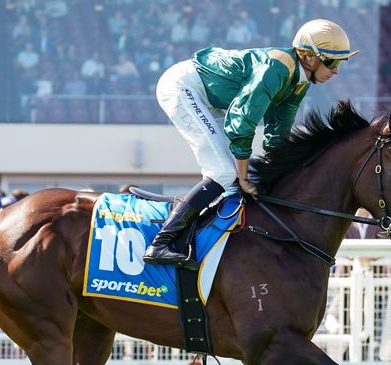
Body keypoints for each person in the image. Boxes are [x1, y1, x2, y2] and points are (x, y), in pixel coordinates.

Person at [144, 19, 359, 266]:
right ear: (310, 58)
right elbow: (242, 121)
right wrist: (246, 177)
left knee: (230, 174)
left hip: (209, 98)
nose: (336, 71)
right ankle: (161, 243)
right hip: (184, 87)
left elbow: (278, 132)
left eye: (341, 62)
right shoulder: (276, 69)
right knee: (225, 171)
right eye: (332, 61)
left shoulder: (298, 82)